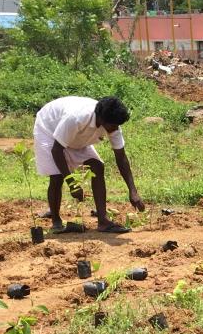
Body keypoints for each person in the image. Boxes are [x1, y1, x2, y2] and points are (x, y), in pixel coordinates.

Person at [33, 95, 144, 233]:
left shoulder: (113, 123)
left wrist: (133, 191)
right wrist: (72, 184)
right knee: (57, 176)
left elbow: (121, 157)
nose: (115, 129)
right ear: (101, 119)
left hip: (77, 135)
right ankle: (56, 221)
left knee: (97, 166)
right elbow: (57, 150)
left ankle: (103, 221)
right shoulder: (76, 118)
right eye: (113, 126)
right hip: (49, 127)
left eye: (117, 126)